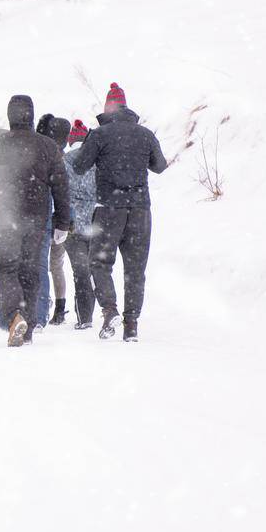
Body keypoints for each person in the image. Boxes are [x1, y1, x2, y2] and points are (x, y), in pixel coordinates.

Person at [70, 83, 169, 342]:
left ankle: (110, 308)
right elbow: (159, 166)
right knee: (136, 269)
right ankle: (132, 325)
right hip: (140, 210)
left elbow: (80, 166)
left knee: (99, 262)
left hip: (108, 209)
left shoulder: (100, 135)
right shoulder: (145, 134)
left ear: (107, 108)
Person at [0, 94, 71, 347]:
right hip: (36, 216)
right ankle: (28, 327)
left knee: (6, 268)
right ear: (31, 114)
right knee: (31, 270)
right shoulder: (47, 146)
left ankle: (15, 316)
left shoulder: (0, 144)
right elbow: (61, 186)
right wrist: (63, 221)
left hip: (6, 216)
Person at [31, 114, 72, 328]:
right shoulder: (65, 157)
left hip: (47, 216)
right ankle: (57, 308)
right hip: (63, 218)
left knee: (43, 265)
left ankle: (42, 308)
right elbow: (67, 193)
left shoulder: (46, 155)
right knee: (55, 266)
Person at [63, 119, 99, 330]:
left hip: (72, 223)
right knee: (95, 269)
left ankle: (84, 317)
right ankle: (96, 310)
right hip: (95, 221)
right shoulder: (96, 160)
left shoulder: (64, 161)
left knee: (80, 271)